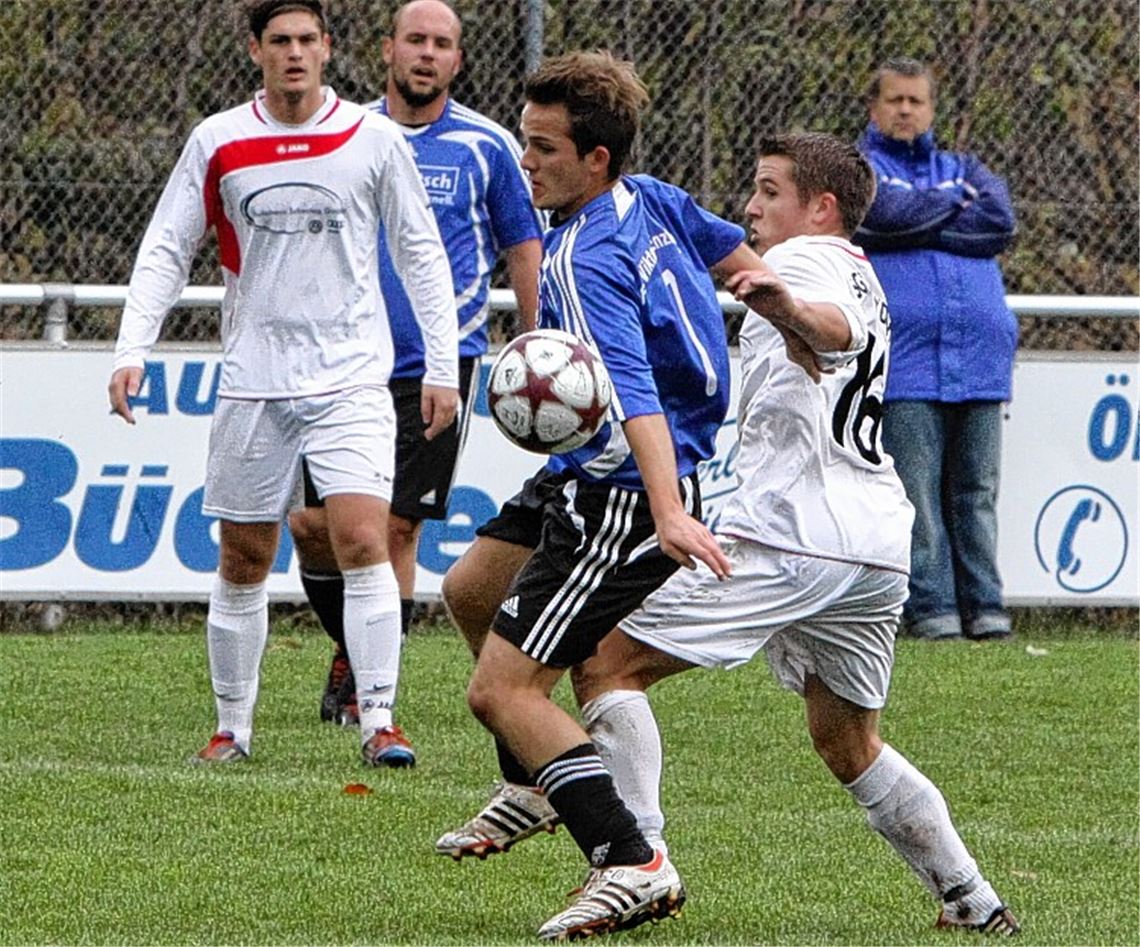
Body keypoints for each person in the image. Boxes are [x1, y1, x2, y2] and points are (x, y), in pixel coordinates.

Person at [452, 131, 1021, 937]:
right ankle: (970, 895)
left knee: (605, 657)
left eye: (768, 190)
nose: (751, 205)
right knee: (847, 739)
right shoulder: (854, 268)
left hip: (795, 533)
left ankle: (634, 862)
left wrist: (786, 306)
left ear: (820, 207)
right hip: (872, 542)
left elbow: (831, 326)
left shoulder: (813, 262)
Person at [435, 51, 763, 941]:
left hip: (621, 489)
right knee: (468, 588)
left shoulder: (581, 260)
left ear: (596, 160)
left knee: (503, 691)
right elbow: (739, 255)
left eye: (542, 148)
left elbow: (637, 395)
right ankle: (530, 780)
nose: (525, 163)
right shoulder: (651, 196)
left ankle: (631, 861)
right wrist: (788, 305)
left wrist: (664, 508)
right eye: (522, 143)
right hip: (584, 467)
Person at [107, 0, 458, 768]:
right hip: (254, 378)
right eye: (280, 41)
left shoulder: (372, 139)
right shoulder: (220, 140)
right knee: (243, 556)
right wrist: (132, 345)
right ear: (256, 51)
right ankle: (232, 728)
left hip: (351, 377)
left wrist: (441, 364)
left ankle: (379, 720)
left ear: (328, 49)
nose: (294, 53)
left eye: (307, 40)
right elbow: (167, 246)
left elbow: (421, 252)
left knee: (364, 536)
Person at [285, 0, 543, 761]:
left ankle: (373, 695)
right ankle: (355, 646)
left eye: (443, 44)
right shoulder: (346, 133)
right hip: (338, 362)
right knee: (313, 529)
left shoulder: (487, 146)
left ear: (457, 61)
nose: (427, 55)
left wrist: (532, 339)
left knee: (396, 527)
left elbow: (522, 244)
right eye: (415, 41)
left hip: (437, 362)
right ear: (388, 49)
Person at [855, 57, 1018, 642]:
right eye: (895, 100)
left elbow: (999, 221)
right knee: (916, 494)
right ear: (874, 107)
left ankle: (986, 608)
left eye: (916, 101)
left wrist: (924, 221)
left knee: (976, 492)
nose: (906, 110)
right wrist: (954, 209)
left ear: (931, 108)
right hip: (908, 362)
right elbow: (885, 215)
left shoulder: (963, 165)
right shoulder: (862, 169)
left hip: (978, 358)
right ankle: (932, 610)